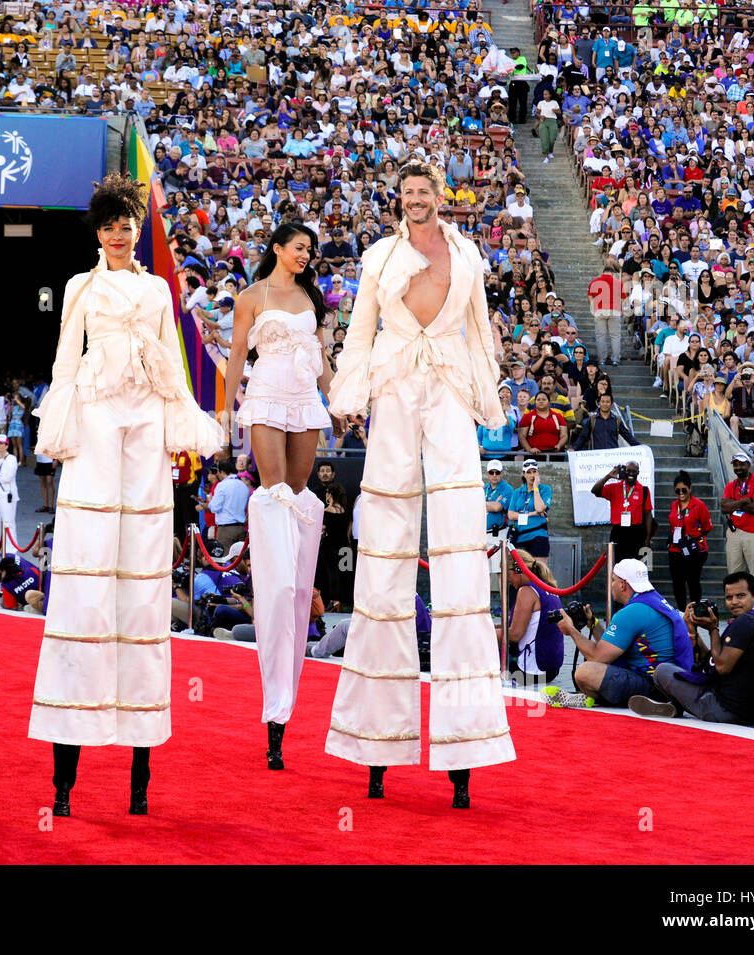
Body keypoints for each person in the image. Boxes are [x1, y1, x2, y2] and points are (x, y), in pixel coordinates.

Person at [28, 174, 224, 818]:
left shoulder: (157, 289)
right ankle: (65, 776)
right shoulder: (81, 287)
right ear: (98, 229)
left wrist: (179, 421)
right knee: (85, 567)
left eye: (128, 222)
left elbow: (170, 357)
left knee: (141, 563)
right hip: (93, 416)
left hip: (144, 420)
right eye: (110, 223)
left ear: (138, 228)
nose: (119, 231)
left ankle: (139, 775)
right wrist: (57, 423)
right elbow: (63, 362)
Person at [324, 161, 515, 809]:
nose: (415, 199)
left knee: (463, 556)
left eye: (423, 191)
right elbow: (357, 330)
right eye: (406, 192)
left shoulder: (466, 253)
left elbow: (483, 333)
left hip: (452, 391)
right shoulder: (379, 256)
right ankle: (376, 744)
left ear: (439, 196)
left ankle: (466, 750)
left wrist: (490, 399)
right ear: (398, 199)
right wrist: (350, 391)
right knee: (383, 557)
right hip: (397, 388)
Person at [222, 220, 333, 771]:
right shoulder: (250, 297)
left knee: (298, 496)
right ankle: (277, 581)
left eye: (309, 250)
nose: (305, 255)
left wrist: (342, 401)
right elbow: (238, 355)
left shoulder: (312, 296)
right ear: (276, 249)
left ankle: (296, 588)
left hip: (305, 401)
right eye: (298, 247)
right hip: (265, 397)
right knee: (274, 499)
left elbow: (324, 360)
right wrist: (225, 410)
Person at [630, 572, 754, 725]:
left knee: (663, 670)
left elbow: (721, 666)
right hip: (750, 711)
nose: (734, 602)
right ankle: (676, 705)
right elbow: (711, 659)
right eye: (729, 597)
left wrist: (713, 629)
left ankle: (677, 705)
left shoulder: (746, 622)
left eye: (740, 596)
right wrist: (692, 630)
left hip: (726, 711)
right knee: (682, 672)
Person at [545, 559, 693, 708]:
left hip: (653, 686)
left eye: (613, 580)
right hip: (669, 684)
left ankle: (646, 701)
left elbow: (598, 656)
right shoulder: (653, 601)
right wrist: (593, 624)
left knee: (585, 672)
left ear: (623, 584)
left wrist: (571, 630)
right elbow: (610, 647)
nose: (611, 585)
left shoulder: (631, 612)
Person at [501, 548, 565, 685]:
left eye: (506, 573)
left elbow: (514, 635)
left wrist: (484, 632)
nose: (506, 579)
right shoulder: (548, 588)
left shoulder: (527, 591)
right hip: (550, 669)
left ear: (517, 569)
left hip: (531, 671)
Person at [720, 451, 754, 603]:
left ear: (748, 465)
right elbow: (724, 508)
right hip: (734, 532)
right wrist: (744, 501)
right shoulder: (731, 485)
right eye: (735, 464)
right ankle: (738, 609)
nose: (738, 467)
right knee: (734, 574)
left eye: (741, 464)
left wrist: (734, 503)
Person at [591, 459, 654, 564]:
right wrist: (609, 476)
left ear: (638, 472)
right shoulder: (614, 487)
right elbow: (595, 491)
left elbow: (648, 515)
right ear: (624, 471)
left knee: (636, 567)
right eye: (628, 471)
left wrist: (647, 538)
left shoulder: (644, 490)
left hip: (636, 532)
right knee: (618, 566)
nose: (631, 474)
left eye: (634, 471)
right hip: (619, 532)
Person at [666, 470, 713, 610]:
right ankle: (681, 611)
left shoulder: (699, 505)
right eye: (677, 490)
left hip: (694, 550)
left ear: (690, 489)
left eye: (684, 490)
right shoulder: (674, 505)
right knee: (677, 582)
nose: (681, 493)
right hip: (676, 549)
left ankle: (695, 610)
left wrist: (693, 537)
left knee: (692, 581)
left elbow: (707, 527)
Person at [507, 458, 552, 565]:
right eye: (529, 472)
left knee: (539, 572)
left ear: (538, 473)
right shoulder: (517, 492)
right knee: (521, 573)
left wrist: (535, 488)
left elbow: (540, 508)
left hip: (538, 536)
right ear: (524, 474)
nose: (532, 475)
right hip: (520, 537)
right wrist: (531, 514)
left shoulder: (545, 489)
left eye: (534, 472)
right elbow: (511, 515)